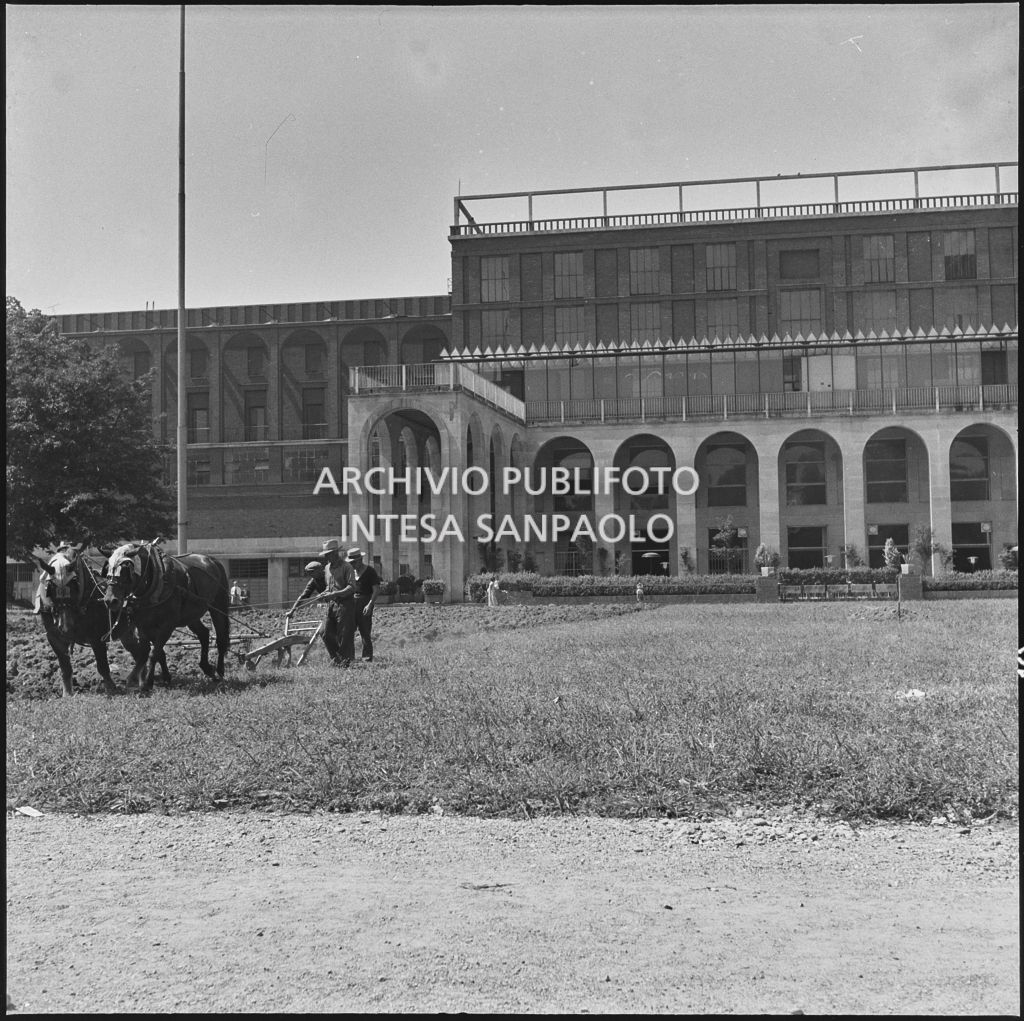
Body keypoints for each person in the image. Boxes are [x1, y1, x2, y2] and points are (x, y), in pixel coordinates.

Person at [315, 539, 356, 666]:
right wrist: (324, 594)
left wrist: (335, 594)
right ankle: (337, 658)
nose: (327, 557)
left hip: (345, 605)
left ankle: (344, 662)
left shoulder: (347, 567)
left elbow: (351, 587)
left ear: (336, 553)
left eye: (329, 554)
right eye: (326, 555)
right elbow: (330, 586)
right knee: (325, 632)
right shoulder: (327, 568)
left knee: (344, 635)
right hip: (332, 605)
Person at [345, 548, 381, 662]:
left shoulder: (370, 571)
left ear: (360, 560)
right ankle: (350, 658)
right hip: (351, 603)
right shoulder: (350, 572)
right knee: (349, 631)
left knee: (365, 631)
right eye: (351, 563)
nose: (353, 564)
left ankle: (367, 658)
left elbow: (376, 590)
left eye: (354, 562)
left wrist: (370, 605)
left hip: (365, 602)